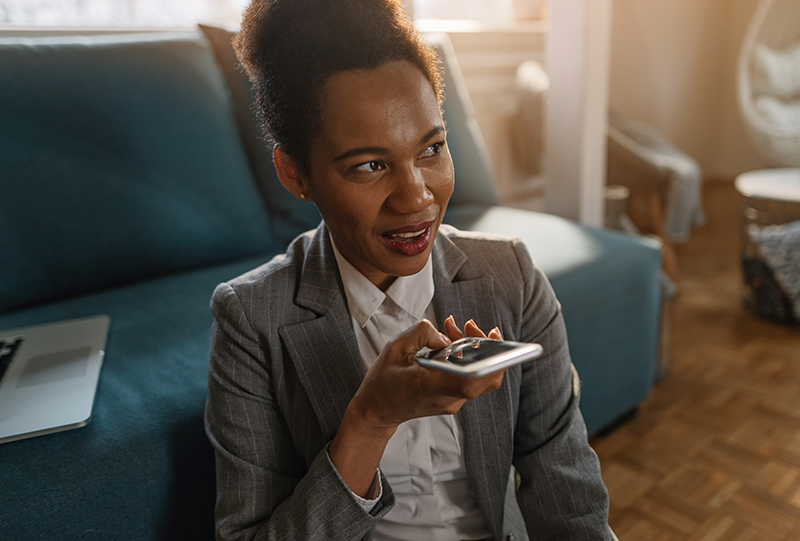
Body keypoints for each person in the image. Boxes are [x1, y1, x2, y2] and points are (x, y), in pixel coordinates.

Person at [204, 1, 617, 540]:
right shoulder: (250, 320)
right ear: (294, 173)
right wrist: (371, 420)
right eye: (370, 165)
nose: (416, 197)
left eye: (431, 149)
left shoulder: (511, 276)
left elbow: (569, 492)